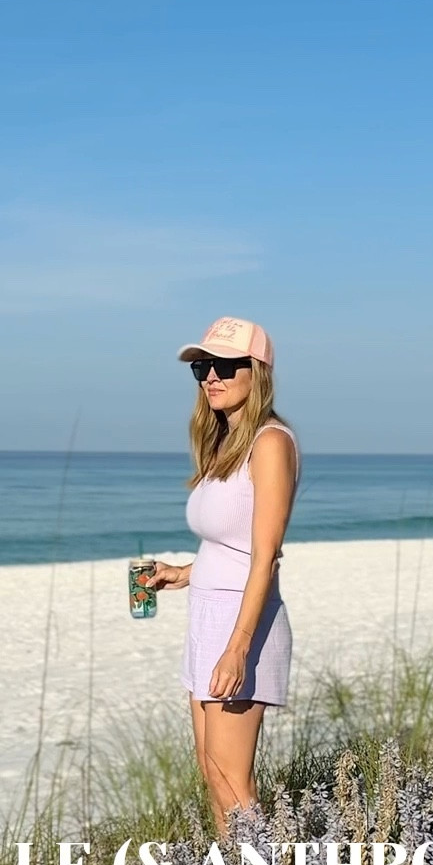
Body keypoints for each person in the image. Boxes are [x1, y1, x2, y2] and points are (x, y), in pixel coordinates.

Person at [145, 316, 300, 838]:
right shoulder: (225, 445)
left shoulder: (270, 444)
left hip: (243, 625)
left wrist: (237, 649)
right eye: (202, 367)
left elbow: (265, 556)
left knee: (234, 781)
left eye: (225, 365)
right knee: (213, 772)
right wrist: (182, 573)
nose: (211, 376)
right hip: (207, 617)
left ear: (257, 372)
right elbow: (229, 544)